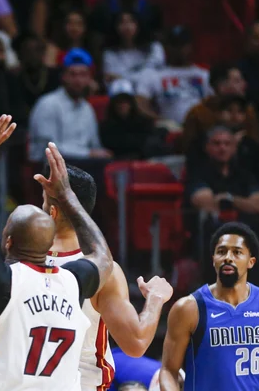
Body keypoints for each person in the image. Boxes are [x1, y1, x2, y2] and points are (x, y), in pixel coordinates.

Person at [0, 116, 114, 390]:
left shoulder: (1, 278)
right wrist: (67, 196)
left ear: (8, 241)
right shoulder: (73, 281)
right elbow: (103, 256)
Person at [44, 165, 173, 390]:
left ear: (52, 211)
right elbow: (136, 343)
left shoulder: (20, 261)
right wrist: (155, 298)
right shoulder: (104, 270)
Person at [159, 222, 259, 390]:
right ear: (213, 260)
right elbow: (169, 370)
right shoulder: (189, 308)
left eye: (237, 252)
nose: (228, 257)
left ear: (251, 261)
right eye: (221, 251)